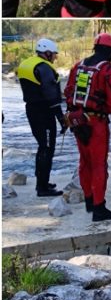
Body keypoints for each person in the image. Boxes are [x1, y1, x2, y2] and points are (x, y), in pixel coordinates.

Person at [65, 33, 111, 221]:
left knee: (84, 162)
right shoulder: (107, 70)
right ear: (110, 51)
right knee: (99, 165)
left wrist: (72, 116)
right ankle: (99, 208)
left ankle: (89, 201)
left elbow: (68, 91)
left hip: (78, 120)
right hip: (96, 123)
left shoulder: (78, 66)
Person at [17, 39, 67, 197]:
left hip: (32, 109)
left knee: (42, 146)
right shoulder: (44, 68)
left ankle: (43, 181)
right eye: (54, 54)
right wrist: (62, 119)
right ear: (47, 53)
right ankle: (42, 188)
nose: (55, 57)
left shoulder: (28, 63)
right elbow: (52, 97)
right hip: (44, 112)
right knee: (47, 148)